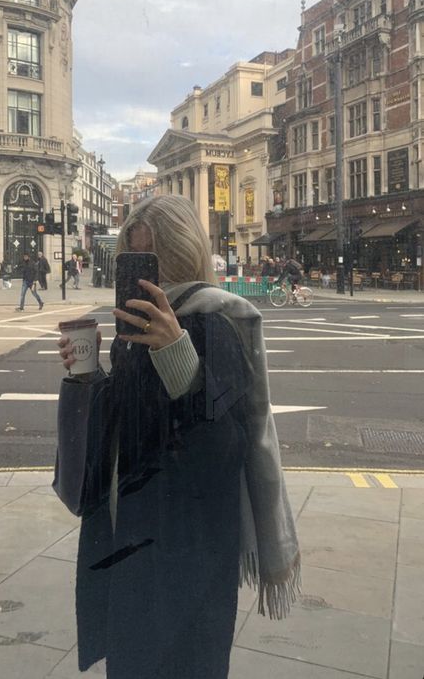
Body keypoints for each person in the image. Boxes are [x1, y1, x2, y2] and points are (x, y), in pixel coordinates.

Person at [56, 195, 301, 679]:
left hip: (189, 555)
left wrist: (178, 355)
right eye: (134, 259)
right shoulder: (137, 326)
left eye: (156, 257)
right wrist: (88, 375)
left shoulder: (214, 323)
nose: (149, 274)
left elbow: (224, 452)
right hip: (132, 541)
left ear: (184, 251)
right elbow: (125, 429)